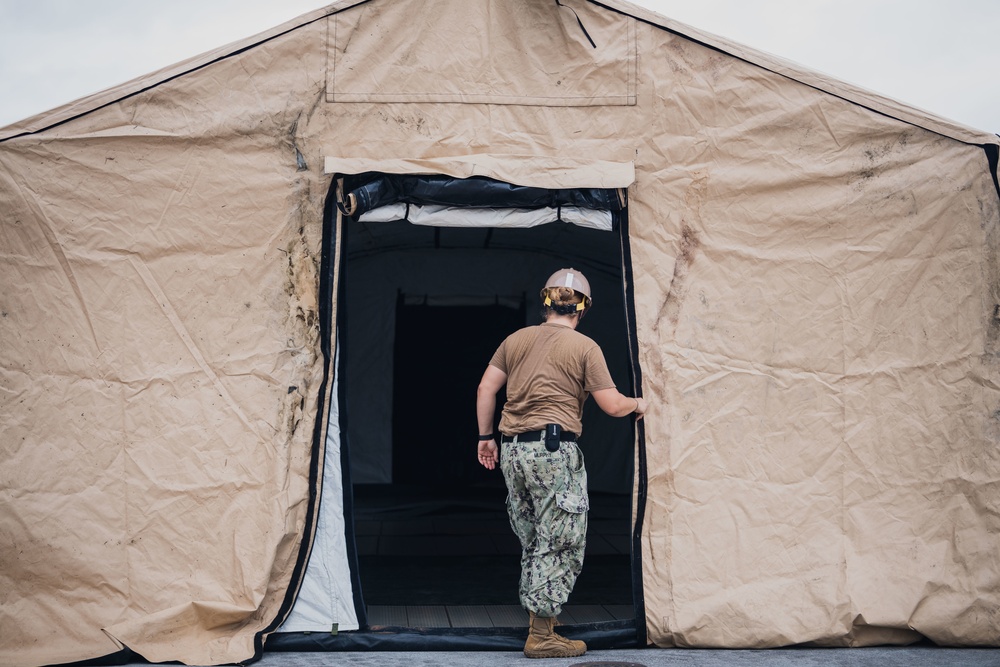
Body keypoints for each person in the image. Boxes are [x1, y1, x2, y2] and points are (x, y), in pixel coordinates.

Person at [476, 267, 647, 659]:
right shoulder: (586, 348)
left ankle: (543, 623)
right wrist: (641, 404)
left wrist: (486, 438)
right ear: (582, 309)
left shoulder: (516, 339)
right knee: (562, 539)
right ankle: (541, 636)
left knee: (535, 538)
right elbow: (612, 404)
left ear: (546, 302)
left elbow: (486, 387)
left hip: (514, 449)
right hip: (553, 453)